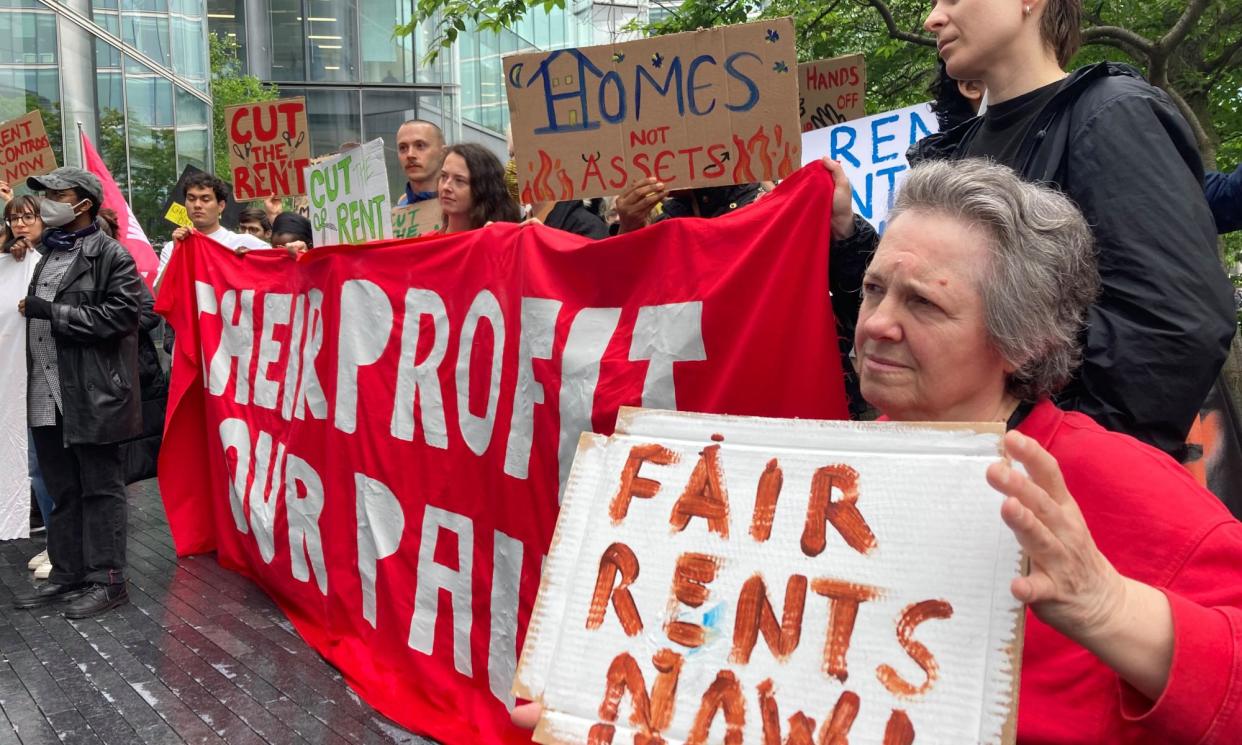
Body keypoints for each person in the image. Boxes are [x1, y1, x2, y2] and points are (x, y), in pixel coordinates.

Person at [515, 158, 1242, 743]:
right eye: (872, 289)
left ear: (1024, 338)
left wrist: (1113, 609)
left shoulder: (1106, 483)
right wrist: (610, 705)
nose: (877, 325)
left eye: (923, 302)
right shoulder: (812, 480)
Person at [827, 0, 1236, 459]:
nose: (933, 18)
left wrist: (1057, 464)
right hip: (961, 470)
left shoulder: (1112, 115)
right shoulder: (953, 152)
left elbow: (1173, 326)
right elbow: (929, 299)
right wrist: (847, 232)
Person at [13, 167, 144, 619]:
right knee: (62, 488)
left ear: (82, 203)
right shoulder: (45, 253)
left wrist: (53, 312)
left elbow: (124, 317)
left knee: (101, 490)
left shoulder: (110, 255)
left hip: (91, 395)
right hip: (44, 395)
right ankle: (67, 574)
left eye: (56, 194)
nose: (47, 201)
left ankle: (108, 581)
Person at [1, 194, 51, 578]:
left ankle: (61, 545)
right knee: (37, 466)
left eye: (28, 216)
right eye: (13, 218)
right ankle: (55, 541)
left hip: (50, 380)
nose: (20, 224)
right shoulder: (12, 260)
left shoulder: (50, 258)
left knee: (49, 467)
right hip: (21, 380)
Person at [155, 171, 269, 287]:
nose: (197, 205)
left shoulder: (247, 243)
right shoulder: (171, 248)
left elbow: (277, 277)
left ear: (221, 206)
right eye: (191, 199)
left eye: (205, 199)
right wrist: (177, 252)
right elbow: (159, 295)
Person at [438, 143, 520, 234]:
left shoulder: (502, 243)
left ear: (483, 190)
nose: (446, 187)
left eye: (459, 180)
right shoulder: (424, 243)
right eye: (443, 176)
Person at [396, 119, 446, 207]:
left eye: (420, 145)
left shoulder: (466, 210)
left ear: (443, 152)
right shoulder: (393, 215)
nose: (410, 154)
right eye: (403, 148)